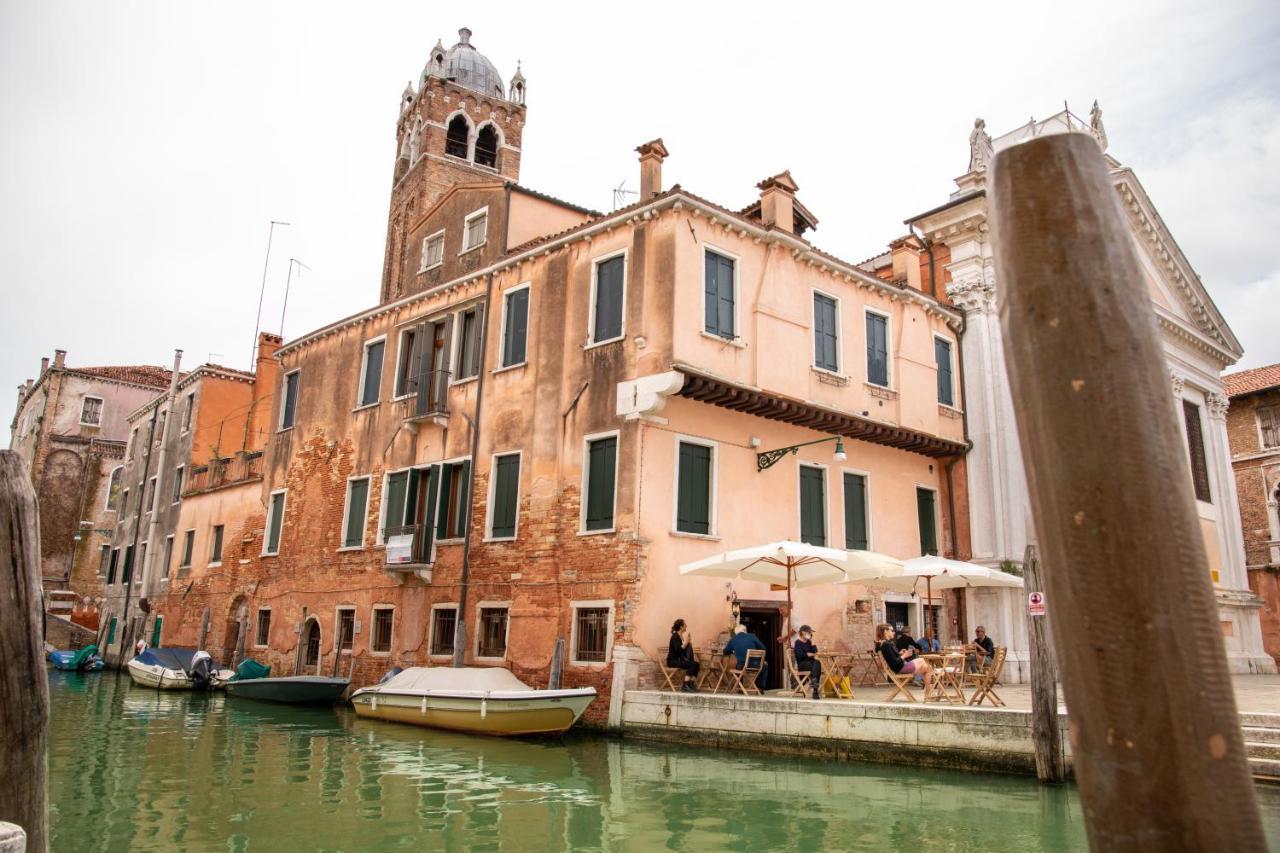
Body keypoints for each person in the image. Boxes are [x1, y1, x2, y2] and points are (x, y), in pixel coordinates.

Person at [723, 624, 768, 689]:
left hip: (742, 666)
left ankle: (740, 688)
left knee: (737, 666)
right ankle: (760, 687)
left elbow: (725, 651)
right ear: (745, 630)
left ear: (736, 632)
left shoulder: (734, 639)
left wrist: (733, 651)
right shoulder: (752, 636)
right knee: (765, 666)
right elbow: (763, 648)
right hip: (756, 665)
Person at [667, 618, 700, 692]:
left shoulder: (680, 636)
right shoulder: (675, 636)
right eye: (685, 625)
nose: (686, 626)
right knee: (692, 665)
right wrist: (685, 643)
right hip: (673, 661)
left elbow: (683, 650)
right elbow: (677, 651)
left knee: (696, 664)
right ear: (681, 627)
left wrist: (689, 643)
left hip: (679, 659)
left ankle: (690, 684)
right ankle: (685, 685)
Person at [792, 625, 822, 700]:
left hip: (811, 664)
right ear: (803, 632)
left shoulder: (809, 642)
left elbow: (814, 652)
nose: (810, 634)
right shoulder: (797, 643)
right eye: (809, 632)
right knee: (815, 664)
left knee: (817, 662)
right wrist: (808, 654)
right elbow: (799, 655)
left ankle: (815, 689)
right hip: (802, 665)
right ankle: (815, 690)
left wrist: (812, 644)